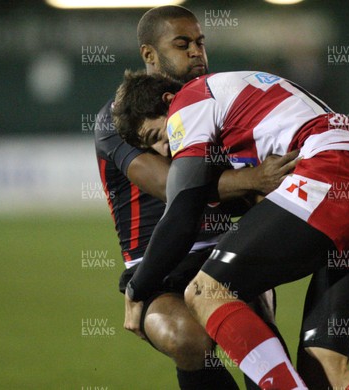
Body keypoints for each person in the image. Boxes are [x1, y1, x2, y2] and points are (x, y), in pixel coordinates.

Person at [113, 70, 349, 390]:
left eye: (157, 135)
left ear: (168, 101)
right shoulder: (239, 91)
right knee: (325, 375)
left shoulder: (189, 100)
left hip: (334, 175)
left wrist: (136, 288)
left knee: (205, 291)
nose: (166, 149)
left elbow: (183, 212)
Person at [94, 6, 297, 390]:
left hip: (225, 252)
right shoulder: (120, 118)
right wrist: (254, 178)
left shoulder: (218, 101)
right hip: (157, 262)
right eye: (182, 43)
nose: (196, 52)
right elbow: (174, 187)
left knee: (260, 338)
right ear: (149, 55)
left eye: (200, 42)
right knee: (189, 341)